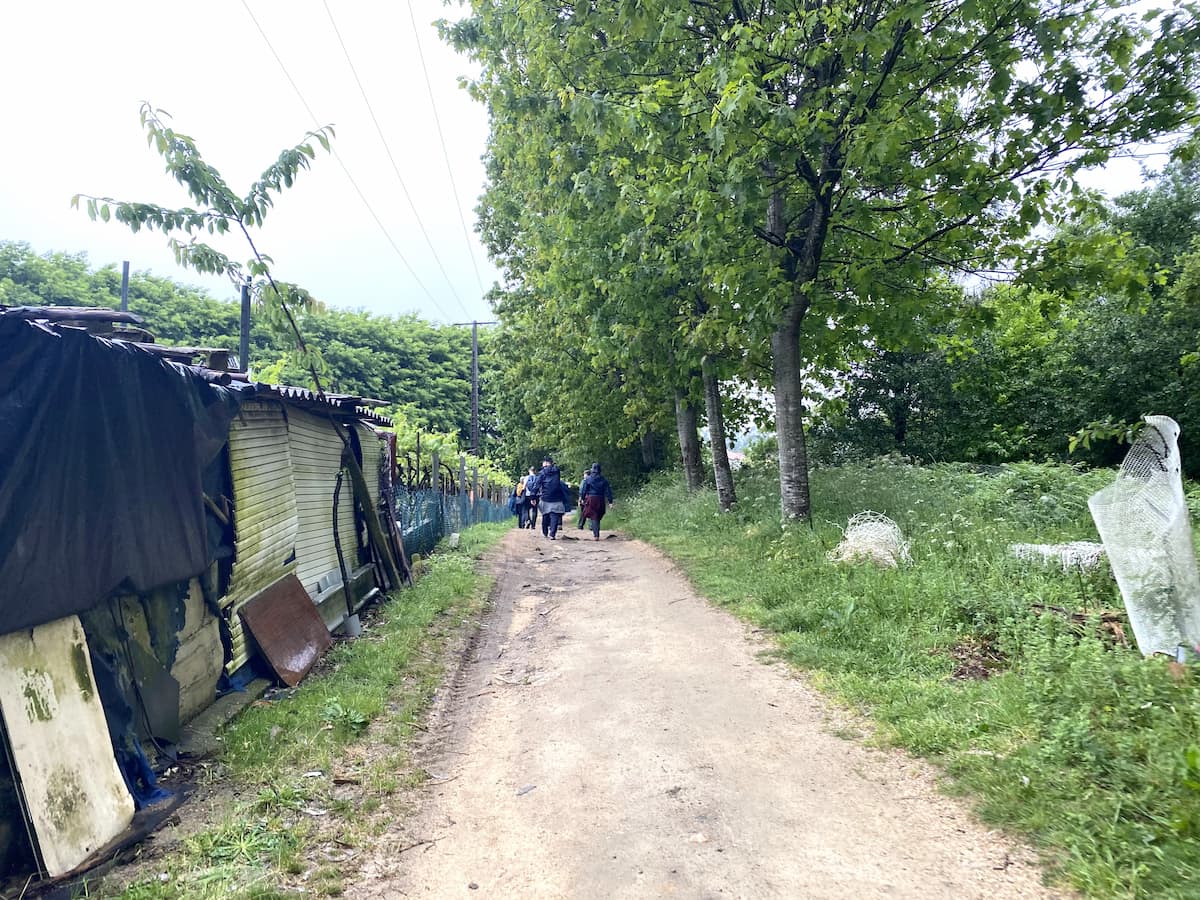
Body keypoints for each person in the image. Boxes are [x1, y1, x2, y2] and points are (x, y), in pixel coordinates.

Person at [536, 456, 570, 540]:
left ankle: (545, 532)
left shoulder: (542, 473)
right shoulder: (557, 471)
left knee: (545, 515)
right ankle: (552, 534)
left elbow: (537, 484)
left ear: (546, 463)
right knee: (554, 515)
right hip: (556, 498)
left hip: (545, 497)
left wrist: (533, 496)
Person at [579, 462, 614, 540]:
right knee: (599, 514)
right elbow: (608, 491)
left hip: (591, 499)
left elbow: (584, 490)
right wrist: (610, 501)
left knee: (594, 516)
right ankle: (596, 533)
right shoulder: (603, 479)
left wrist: (582, 498)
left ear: (592, 469)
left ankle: (596, 535)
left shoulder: (588, 479)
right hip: (600, 499)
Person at [523, 465, 540, 530]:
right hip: (536, 495)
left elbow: (524, 487)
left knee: (526, 509)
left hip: (528, 495)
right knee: (534, 510)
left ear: (529, 471)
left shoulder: (526, 478)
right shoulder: (537, 478)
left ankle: (528, 520)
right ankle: (533, 525)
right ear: (535, 471)